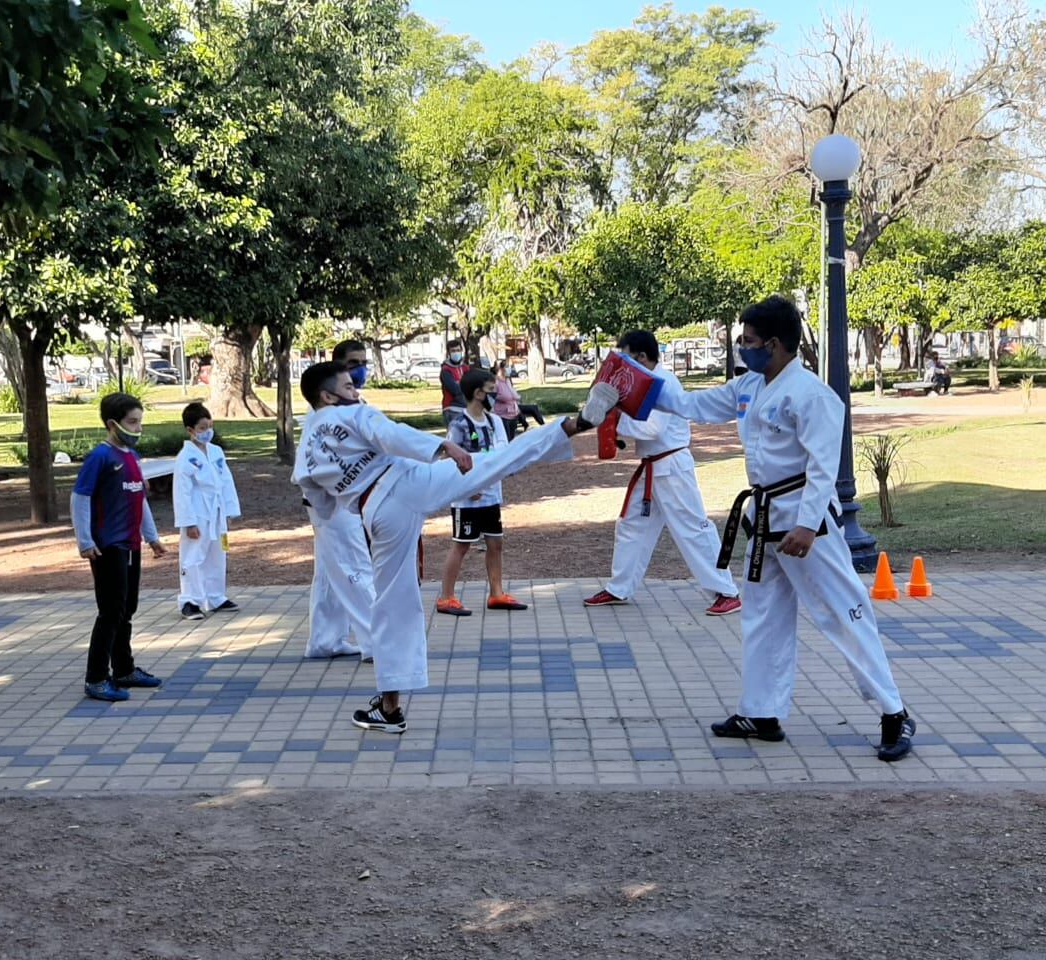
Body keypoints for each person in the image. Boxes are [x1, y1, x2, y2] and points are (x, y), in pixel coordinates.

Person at [654, 295, 916, 762]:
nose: (742, 347)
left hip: (804, 520)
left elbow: (822, 467)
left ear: (774, 344)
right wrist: (637, 383)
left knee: (844, 612)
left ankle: (894, 712)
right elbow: (690, 403)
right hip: (764, 519)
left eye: (749, 341)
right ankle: (761, 712)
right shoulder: (749, 386)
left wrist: (808, 525)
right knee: (763, 616)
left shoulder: (812, 395)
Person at [294, 361, 615, 734]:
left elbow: (317, 499)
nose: (357, 391)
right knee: (496, 461)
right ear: (328, 395)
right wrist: (443, 444)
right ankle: (572, 425)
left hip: (379, 507)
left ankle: (390, 708)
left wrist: (343, 512)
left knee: (394, 604)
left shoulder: (306, 448)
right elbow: (387, 432)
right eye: (350, 387)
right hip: (411, 480)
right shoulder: (352, 414)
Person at [583, 330, 742, 617]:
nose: (625, 365)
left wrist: (615, 421)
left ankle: (726, 591)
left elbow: (652, 428)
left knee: (692, 528)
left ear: (642, 357)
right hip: (653, 468)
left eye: (629, 357)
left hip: (671, 468)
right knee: (632, 526)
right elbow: (643, 426)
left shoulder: (663, 382)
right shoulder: (646, 383)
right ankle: (620, 587)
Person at [70, 393, 167, 702]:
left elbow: (140, 499)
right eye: (132, 422)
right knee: (110, 611)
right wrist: (85, 541)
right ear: (112, 424)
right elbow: (80, 498)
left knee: (127, 609)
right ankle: (96, 678)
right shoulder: (100, 457)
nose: (138, 428)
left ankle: (124, 670)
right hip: (107, 546)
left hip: (131, 544)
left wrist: (151, 537)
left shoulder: (132, 458)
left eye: (140, 422)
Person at [294, 339, 376, 659]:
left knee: (330, 573)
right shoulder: (323, 412)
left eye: (363, 363)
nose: (361, 370)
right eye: (354, 364)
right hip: (334, 502)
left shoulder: (351, 404)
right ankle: (376, 641)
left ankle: (325, 640)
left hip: (344, 501)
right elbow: (312, 469)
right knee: (354, 566)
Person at [436, 369, 528, 616]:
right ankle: (446, 597)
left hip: (491, 495)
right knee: (462, 545)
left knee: (495, 543)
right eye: (491, 391)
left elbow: (502, 453)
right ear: (477, 393)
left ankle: (497, 593)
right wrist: (469, 485)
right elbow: (450, 459)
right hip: (467, 498)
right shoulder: (459, 425)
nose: (495, 396)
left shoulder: (494, 421)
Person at [174, 402, 241, 621]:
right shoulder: (186, 457)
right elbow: (181, 491)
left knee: (217, 553)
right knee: (193, 555)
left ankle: (215, 596)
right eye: (202, 428)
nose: (207, 432)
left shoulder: (216, 451)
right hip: (198, 510)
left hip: (217, 509)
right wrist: (188, 522)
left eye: (209, 426)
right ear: (190, 430)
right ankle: (190, 600)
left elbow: (226, 480)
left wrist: (230, 511)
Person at [439, 338, 469, 426]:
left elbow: (473, 385)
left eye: (458, 350)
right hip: (452, 409)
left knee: (473, 434)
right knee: (456, 437)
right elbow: (456, 390)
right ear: (448, 353)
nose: (456, 353)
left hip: (467, 409)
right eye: (453, 351)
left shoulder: (465, 368)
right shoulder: (446, 370)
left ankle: (474, 440)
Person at [492, 360, 522, 440]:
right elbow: (492, 396)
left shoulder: (508, 380)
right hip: (502, 415)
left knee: (512, 439)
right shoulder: (495, 382)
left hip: (513, 414)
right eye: (506, 366)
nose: (508, 369)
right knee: (506, 439)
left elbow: (514, 394)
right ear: (500, 369)